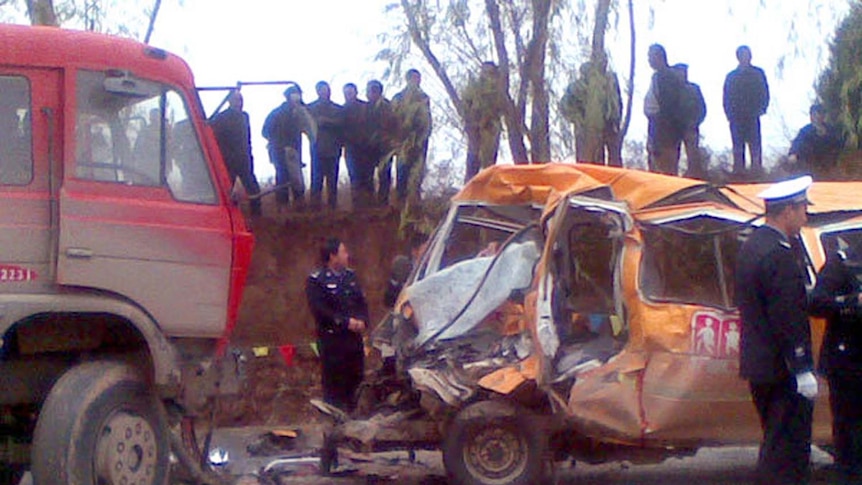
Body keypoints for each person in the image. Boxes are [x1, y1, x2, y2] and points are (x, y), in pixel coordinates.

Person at [734, 175, 817, 485]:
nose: (805, 215)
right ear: (788, 211)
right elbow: (787, 316)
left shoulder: (753, 246)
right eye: (802, 209)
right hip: (781, 369)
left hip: (760, 366)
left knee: (774, 441)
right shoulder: (779, 255)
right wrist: (800, 368)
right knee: (787, 452)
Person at [809, 237, 862, 484]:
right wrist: (852, 302)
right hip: (847, 362)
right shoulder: (842, 264)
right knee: (848, 429)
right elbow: (817, 302)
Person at [306, 238, 369, 412]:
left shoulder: (351, 277)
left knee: (355, 385)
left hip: (353, 344)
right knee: (334, 389)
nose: (347, 255)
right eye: (343, 252)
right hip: (333, 344)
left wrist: (362, 321)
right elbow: (320, 311)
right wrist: (345, 322)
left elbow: (361, 303)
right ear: (333, 256)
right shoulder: (316, 281)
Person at [561, 54, 623, 167]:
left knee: (612, 163)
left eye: (605, 60)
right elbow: (565, 105)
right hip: (588, 128)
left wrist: (616, 120)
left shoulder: (611, 80)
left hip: (609, 125)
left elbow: (617, 103)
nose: (603, 63)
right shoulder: (579, 86)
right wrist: (577, 118)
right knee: (590, 163)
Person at [262, 84, 316, 210]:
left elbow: (310, 128)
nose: (298, 97)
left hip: (293, 151)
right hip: (281, 151)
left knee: (293, 180)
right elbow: (265, 131)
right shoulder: (278, 113)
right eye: (296, 95)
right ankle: (285, 209)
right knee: (284, 180)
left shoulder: (300, 111)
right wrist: (277, 142)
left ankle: (297, 209)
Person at [210, 90, 261, 215]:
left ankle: (257, 216)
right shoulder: (220, 118)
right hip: (228, 159)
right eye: (237, 100)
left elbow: (247, 139)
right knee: (227, 190)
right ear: (230, 101)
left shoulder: (244, 116)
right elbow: (215, 137)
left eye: (241, 100)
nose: (240, 103)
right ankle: (229, 215)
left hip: (244, 158)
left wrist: (249, 156)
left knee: (254, 189)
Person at [723, 45, 770, 175]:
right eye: (742, 55)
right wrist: (729, 114)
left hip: (752, 116)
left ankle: (757, 174)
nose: (745, 57)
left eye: (747, 54)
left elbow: (764, 91)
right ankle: (739, 175)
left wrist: (762, 108)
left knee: (755, 148)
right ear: (738, 57)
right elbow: (726, 96)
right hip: (736, 118)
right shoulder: (731, 76)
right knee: (738, 149)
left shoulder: (757, 73)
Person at [392, 69, 432, 204]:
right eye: (414, 78)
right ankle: (400, 203)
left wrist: (423, 138)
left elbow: (427, 120)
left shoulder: (424, 98)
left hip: (420, 142)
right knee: (402, 171)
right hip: (403, 141)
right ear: (407, 79)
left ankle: (414, 203)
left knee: (417, 173)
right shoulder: (398, 98)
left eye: (418, 78)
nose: (417, 81)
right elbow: (393, 120)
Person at [644, 44, 684, 175]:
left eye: (650, 56)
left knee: (665, 171)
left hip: (665, 133)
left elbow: (669, 107)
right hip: (657, 129)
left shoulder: (666, 77)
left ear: (659, 57)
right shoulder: (658, 76)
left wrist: (663, 135)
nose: (648, 60)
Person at [462, 61, 506, 182]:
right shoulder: (474, 87)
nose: (486, 75)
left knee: (489, 162)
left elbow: (502, 107)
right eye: (484, 71)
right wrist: (470, 123)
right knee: (473, 159)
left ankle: (486, 190)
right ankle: (469, 190)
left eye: (490, 72)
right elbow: (465, 105)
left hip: (491, 128)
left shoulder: (498, 89)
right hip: (475, 128)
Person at [308, 81, 344, 210]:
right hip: (317, 149)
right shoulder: (310, 108)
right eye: (323, 90)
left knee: (332, 182)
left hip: (334, 149)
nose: (326, 92)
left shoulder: (338, 109)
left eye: (328, 90)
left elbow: (342, 124)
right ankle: (314, 209)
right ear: (318, 91)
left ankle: (333, 208)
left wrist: (327, 122)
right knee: (316, 181)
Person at [672, 63, 707, 179]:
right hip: (675, 129)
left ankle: (694, 178)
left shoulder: (694, 89)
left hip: (691, 127)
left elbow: (702, 108)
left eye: (684, 71)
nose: (682, 74)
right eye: (679, 71)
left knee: (693, 157)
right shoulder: (671, 90)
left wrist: (695, 122)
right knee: (673, 158)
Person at [788, 103, 843, 177]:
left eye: (821, 113)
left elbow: (838, 145)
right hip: (810, 166)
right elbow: (797, 143)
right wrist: (793, 154)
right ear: (811, 116)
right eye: (815, 114)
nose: (818, 116)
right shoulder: (805, 131)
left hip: (829, 166)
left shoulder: (831, 130)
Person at [366, 80, 398, 205]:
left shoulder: (388, 107)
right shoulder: (364, 107)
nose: (370, 93)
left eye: (373, 90)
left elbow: (394, 126)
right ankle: (370, 203)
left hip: (384, 147)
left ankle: (382, 202)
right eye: (369, 90)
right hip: (367, 147)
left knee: (384, 175)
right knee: (368, 176)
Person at [341, 83, 373, 208]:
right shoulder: (341, 110)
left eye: (350, 92)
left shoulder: (366, 108)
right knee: (354, 178)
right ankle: (357, 207)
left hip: (366, 148)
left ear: (356, 92)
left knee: (368, 178)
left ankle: (371, 206)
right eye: (346, 93)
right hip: (350, 149)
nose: (348, 95)